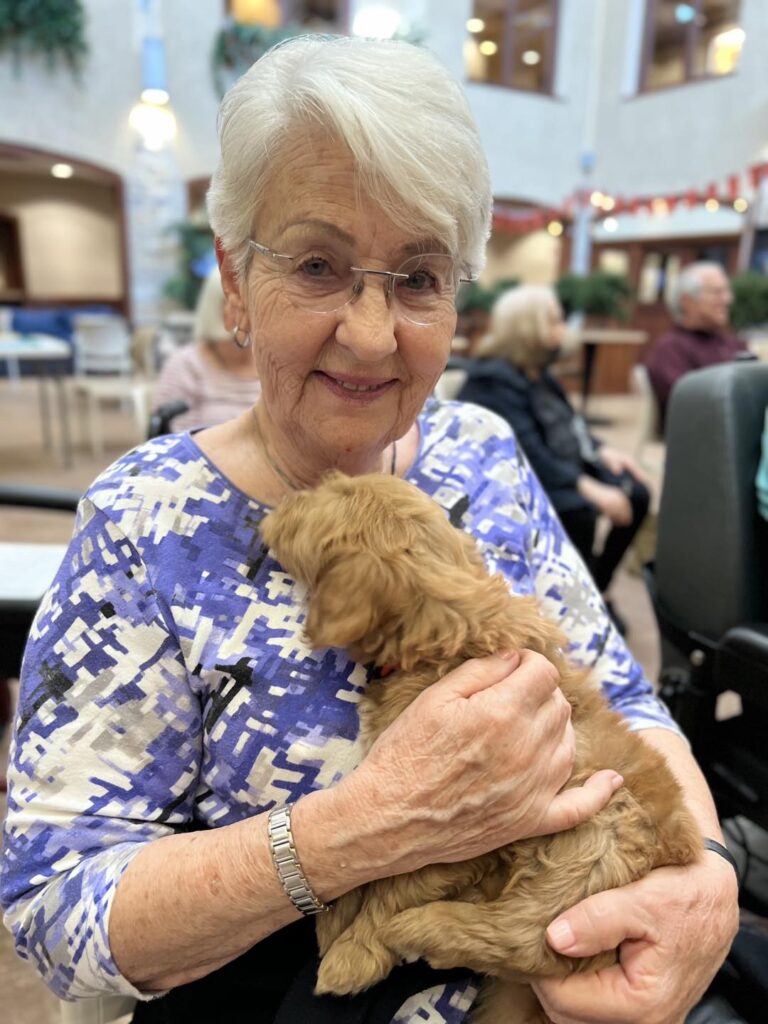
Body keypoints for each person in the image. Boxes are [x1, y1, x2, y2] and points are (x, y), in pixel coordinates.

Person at [1, 36, 737, 1024]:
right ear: (234, 279)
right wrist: (353, 832)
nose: (373, 332)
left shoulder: (480, 452)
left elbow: (626, 702)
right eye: (318, 265)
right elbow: (53, 910)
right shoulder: (147, 521)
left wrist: (710, 878)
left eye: (421, 278)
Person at [457, 285, 651, 633]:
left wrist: (603, 448)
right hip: (520, 477)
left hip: (565, 461)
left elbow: (569, 424)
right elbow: (528, 453)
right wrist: (590, 487)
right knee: (581, 510)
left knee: (637, 494)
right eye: (556, 321)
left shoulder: (539, 372)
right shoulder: (492, 380)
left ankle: (596, 587)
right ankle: (577, 602)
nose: (564, 329)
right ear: (529, 328)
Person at [151, 265, 261, 430]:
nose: (245, 313)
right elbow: (169, 435)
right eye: (235, 303)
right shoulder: (185, 365)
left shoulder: (274, 363)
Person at [645, 261, 746, 426]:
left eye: (727, 292)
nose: (727, 299)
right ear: (687, 301)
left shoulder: (732, 343)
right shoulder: (670, 348)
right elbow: (687, 402)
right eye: (717, 292)